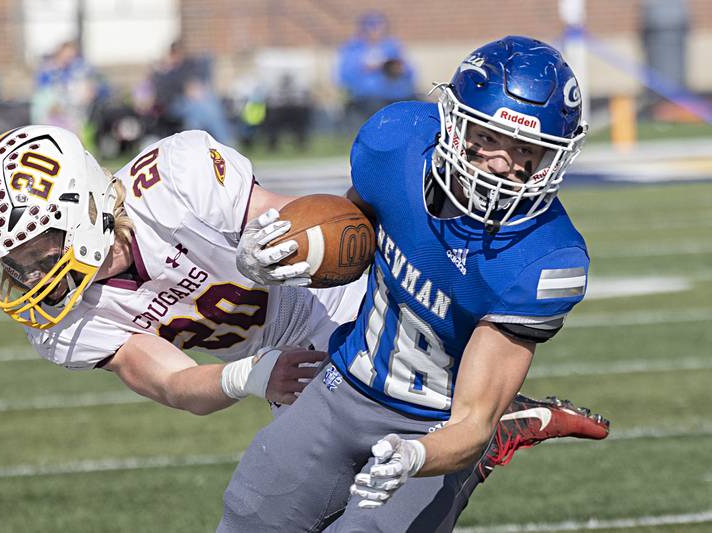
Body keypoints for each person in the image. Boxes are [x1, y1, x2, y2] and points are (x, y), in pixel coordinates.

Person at [0, 109, 605, 526]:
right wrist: (249, 375)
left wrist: (277, 247)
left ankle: (479, 435)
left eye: (33, 249)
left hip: (343, 303)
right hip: (281, 359)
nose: (26, 273)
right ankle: (486, 427)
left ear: (82, 203)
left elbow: (326, 228)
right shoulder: (65, 317)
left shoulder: (175, 180)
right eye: (10, 262)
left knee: (383, 502)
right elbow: (172, 383)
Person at [223, 35, 601, 531]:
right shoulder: (397, 144)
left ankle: (500, 435)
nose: (503, 165)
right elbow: (350, 232)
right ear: (454, 121)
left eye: (526, 149)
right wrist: (280, 254)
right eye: (487, 138)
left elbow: (469, 423)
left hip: (435, 422)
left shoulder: (546, 257)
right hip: (346, 386)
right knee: (250, 514)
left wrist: (417, 455)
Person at [335, 11, 416, 130]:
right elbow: (343, 76)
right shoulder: (353, 48)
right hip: (366, 97)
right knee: (377, 109)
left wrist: (396, 68)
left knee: (415, 104)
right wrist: (364, 67)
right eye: (372, 28)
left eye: (379, 28)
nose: (375, 32)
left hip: (397, 94)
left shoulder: (392, 46)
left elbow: (410, 72)